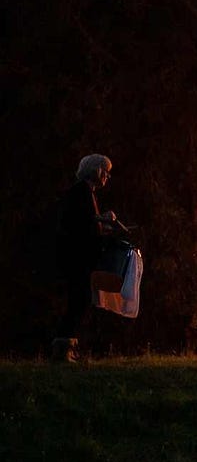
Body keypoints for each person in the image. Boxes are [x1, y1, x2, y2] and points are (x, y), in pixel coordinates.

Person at [52, 154, 118, 362]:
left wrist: (102, 226)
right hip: (76, 257)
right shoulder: (82, 192)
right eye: (104, 170)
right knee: (78, 301)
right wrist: (102, 220)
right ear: (95, 170)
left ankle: (66, 347)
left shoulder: (86, 192)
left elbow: (86, 223)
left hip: (77, 256)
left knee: (79, 301)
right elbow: (81, 223)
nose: (107, 175)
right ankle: (63, 349)